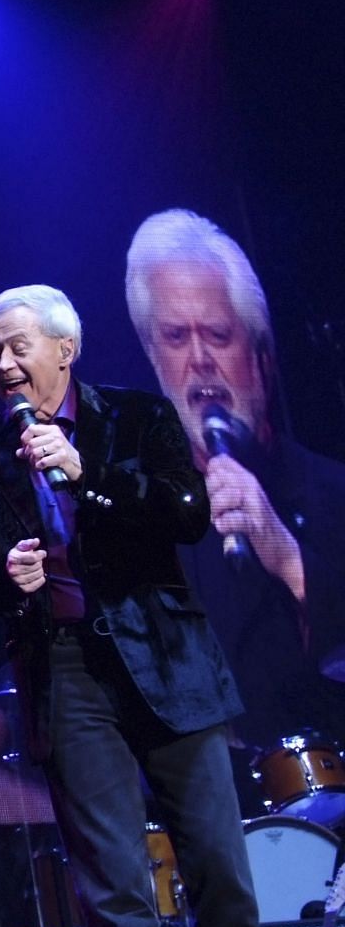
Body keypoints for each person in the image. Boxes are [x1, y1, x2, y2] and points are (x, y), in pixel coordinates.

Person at [0, 284, 264, 927]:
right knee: (111, 889)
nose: (3, 364)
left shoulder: (139, 415)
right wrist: (4, 574)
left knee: (218, 867)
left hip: (168, 656)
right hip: (64, 669)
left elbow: (187, 513)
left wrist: (89, 474)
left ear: (65, 347)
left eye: (18, 346)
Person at [125, 209, 345, 769]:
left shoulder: (332, 493)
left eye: (218, 335)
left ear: (262, 357)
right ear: (154, 358)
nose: (199, 360)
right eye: (176, 338)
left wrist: (286, 555)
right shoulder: (141, 525)